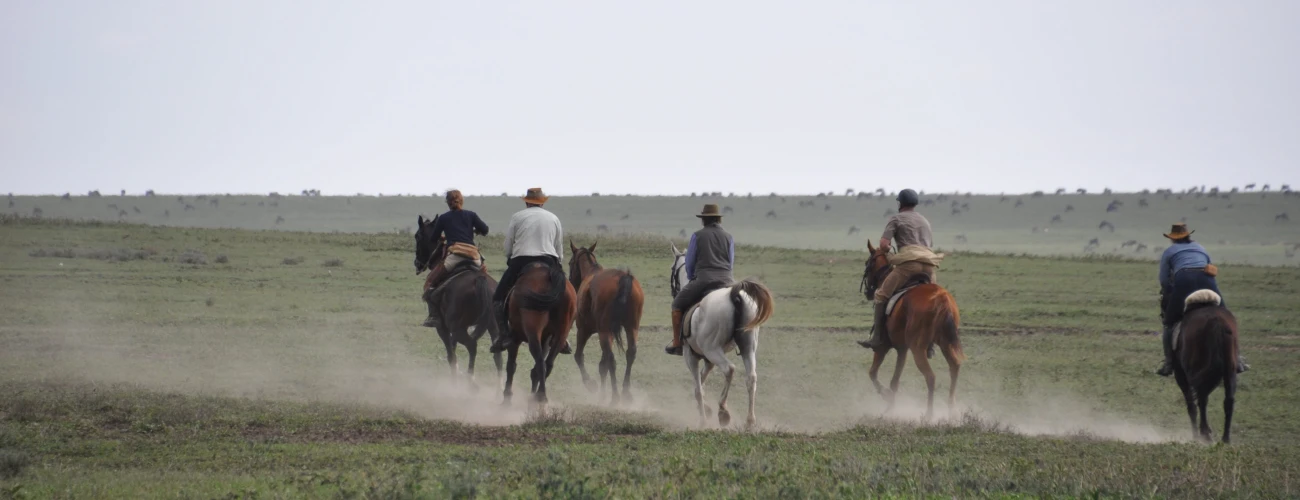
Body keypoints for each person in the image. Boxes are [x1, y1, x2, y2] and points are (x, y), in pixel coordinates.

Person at [1156, 223, 1248, 376]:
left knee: (1169, 323)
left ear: (1172, 238)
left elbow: (1164, 280)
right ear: (1188, 236)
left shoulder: (1169, 251)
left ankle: (1169, 363)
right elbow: (1210, 266)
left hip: (1184, 280)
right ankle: (1237, 359)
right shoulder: (1200, 247)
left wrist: (1171, 293)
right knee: (1226, 316)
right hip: (1208, 280)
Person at [488, 188, 571, 354]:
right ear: (542, 202)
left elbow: (509, 243)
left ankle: (504, 335)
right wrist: (558, 262)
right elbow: (558, 246)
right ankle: (562, 336)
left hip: (522, 260)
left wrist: (510, 257)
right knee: (566, 294)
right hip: (549, 260)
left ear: (526, 202)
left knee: (498, 297)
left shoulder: (517, 217)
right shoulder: (553, 218)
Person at [857, 188, 943, 350]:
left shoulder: (896, 218)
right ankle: (930, 343)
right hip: (929, 266)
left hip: (909, 265)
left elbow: (883, 245)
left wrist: (889, 249)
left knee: (881, 295)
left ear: (900, 203)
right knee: (934, 301)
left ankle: (876, 338)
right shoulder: (925, 221)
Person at [664, 204, 735, 356]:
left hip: (704, 279)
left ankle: (677, 342)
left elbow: (689, 263)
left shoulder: (697, 236)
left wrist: (691, 278)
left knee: (676, 304)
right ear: (718, 219)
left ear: (704, 220)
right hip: (728, 281)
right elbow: (731, 262)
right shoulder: (729, 237)